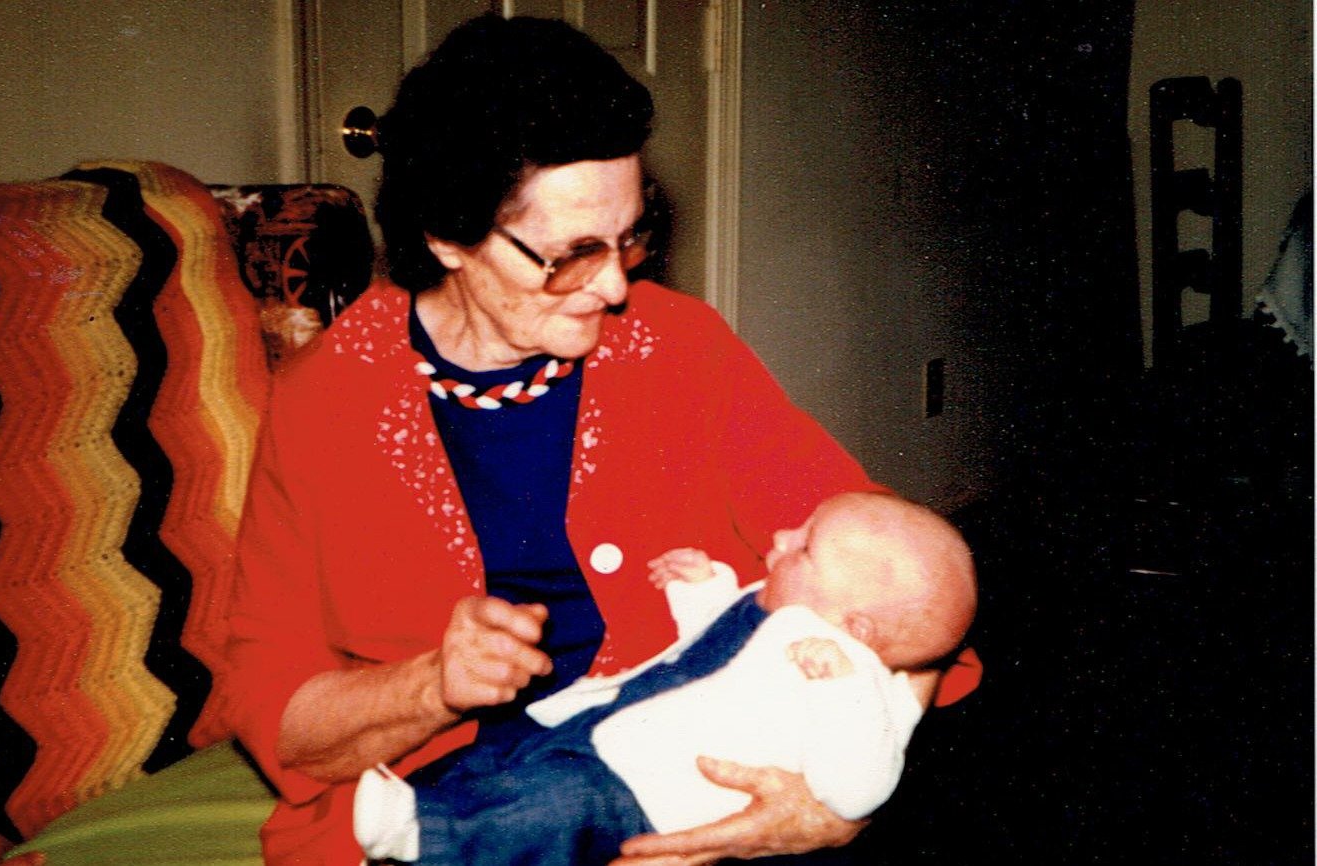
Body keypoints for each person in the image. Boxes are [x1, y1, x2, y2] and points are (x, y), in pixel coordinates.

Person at [222, 14, 980, 865]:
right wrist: (431, 686)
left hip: (687, 782)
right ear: (446, 236)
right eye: (573, 254)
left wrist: (834, 803)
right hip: (459, 811)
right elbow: (279, 713)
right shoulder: (323, 402)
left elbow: (891, 578)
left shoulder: (680, 349)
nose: (617, 286)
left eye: (629, 237)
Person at [352, 492, 977, 865]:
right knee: (513, 753)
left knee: (556, 805)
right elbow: (711, 649)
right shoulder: (777, 602)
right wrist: (702, 588)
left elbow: (861, 788)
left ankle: (428, 834)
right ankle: (427, 806)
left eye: (805, 547)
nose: (784, 536)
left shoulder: (856, 682)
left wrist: (844, 693)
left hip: (648, 791)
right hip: (611, 721)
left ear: (857, 625)